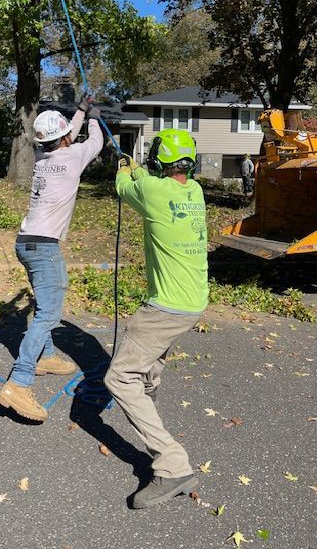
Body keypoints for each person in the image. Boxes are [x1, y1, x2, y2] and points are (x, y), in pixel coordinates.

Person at [104, 129, 208, 509]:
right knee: (148, 356)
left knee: (117, 378)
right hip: (194, 300)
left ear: (158, 161)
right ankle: (148, 388)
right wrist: (140, 172)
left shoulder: (151, 191)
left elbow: (123, 185)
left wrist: (123, 166)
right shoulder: (194, 192)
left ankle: (172, 466)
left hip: (167, 306)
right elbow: (149, 181)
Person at [0, 97, 104, 422]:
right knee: (48, 313)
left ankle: (46, 357)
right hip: (44, 246)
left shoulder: (43, 158)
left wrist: (83, 111)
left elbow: (67, 134)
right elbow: (95, 142)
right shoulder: (73, 155)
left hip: (25, 242)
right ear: (64, 137)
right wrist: (95, 117)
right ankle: (19, 381)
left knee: (48, 302)